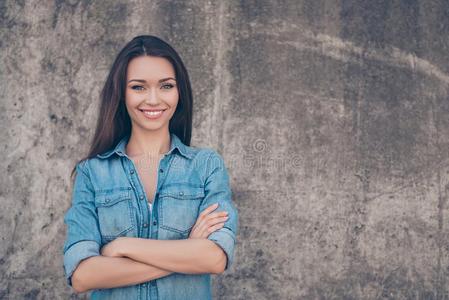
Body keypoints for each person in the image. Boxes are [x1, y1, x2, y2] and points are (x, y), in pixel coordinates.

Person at [62, 35, 239, 299]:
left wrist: (123, 246)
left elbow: (214, 258)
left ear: (180, 92)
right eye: (138, 87)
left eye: (166, 86)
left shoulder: (205, 166)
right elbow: (82, 275)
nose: (154, 99)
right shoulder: (92, 173)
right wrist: (188, 250)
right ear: (121, 93)